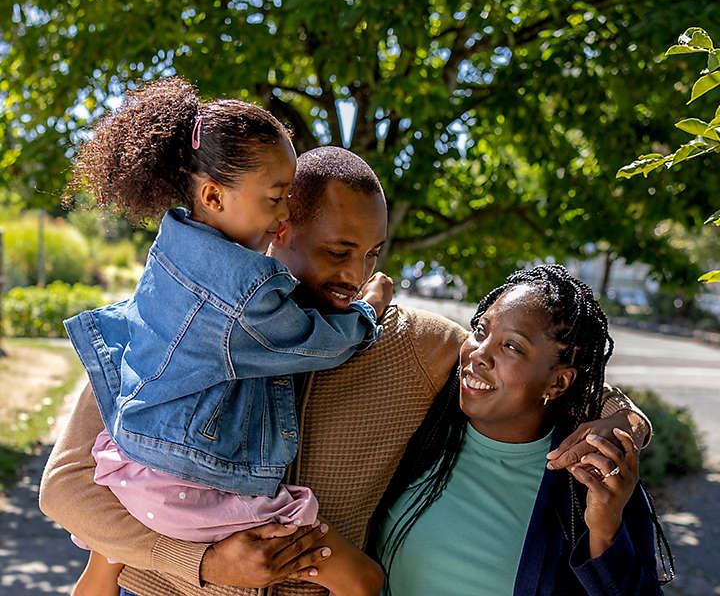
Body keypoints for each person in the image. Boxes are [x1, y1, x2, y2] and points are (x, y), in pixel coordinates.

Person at [40, 146, 652, 596]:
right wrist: (201, 562)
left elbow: (544, 370)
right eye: (338, 252)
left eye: (372, 254)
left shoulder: (410, 343)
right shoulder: (169, 325)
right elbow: (65, 489)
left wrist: (624, 423)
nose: (357, 277)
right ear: (278, 231)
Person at [60, 79, 394, 596]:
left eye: (372, 255)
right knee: (363, 580)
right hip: (194, 487)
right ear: (214, 194)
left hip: (134, 472)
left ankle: (104, 560)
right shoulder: (244, 297)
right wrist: (368, 312)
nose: (282, 218)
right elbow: (313, 340)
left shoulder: (172, 250)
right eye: (277, 201)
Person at [375, 264, 671, 595]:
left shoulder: (589, 480)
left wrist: (605, 530)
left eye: (512, 347)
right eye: (480, 330)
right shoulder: (423, 418)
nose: (479, 354)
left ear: (559, 381)